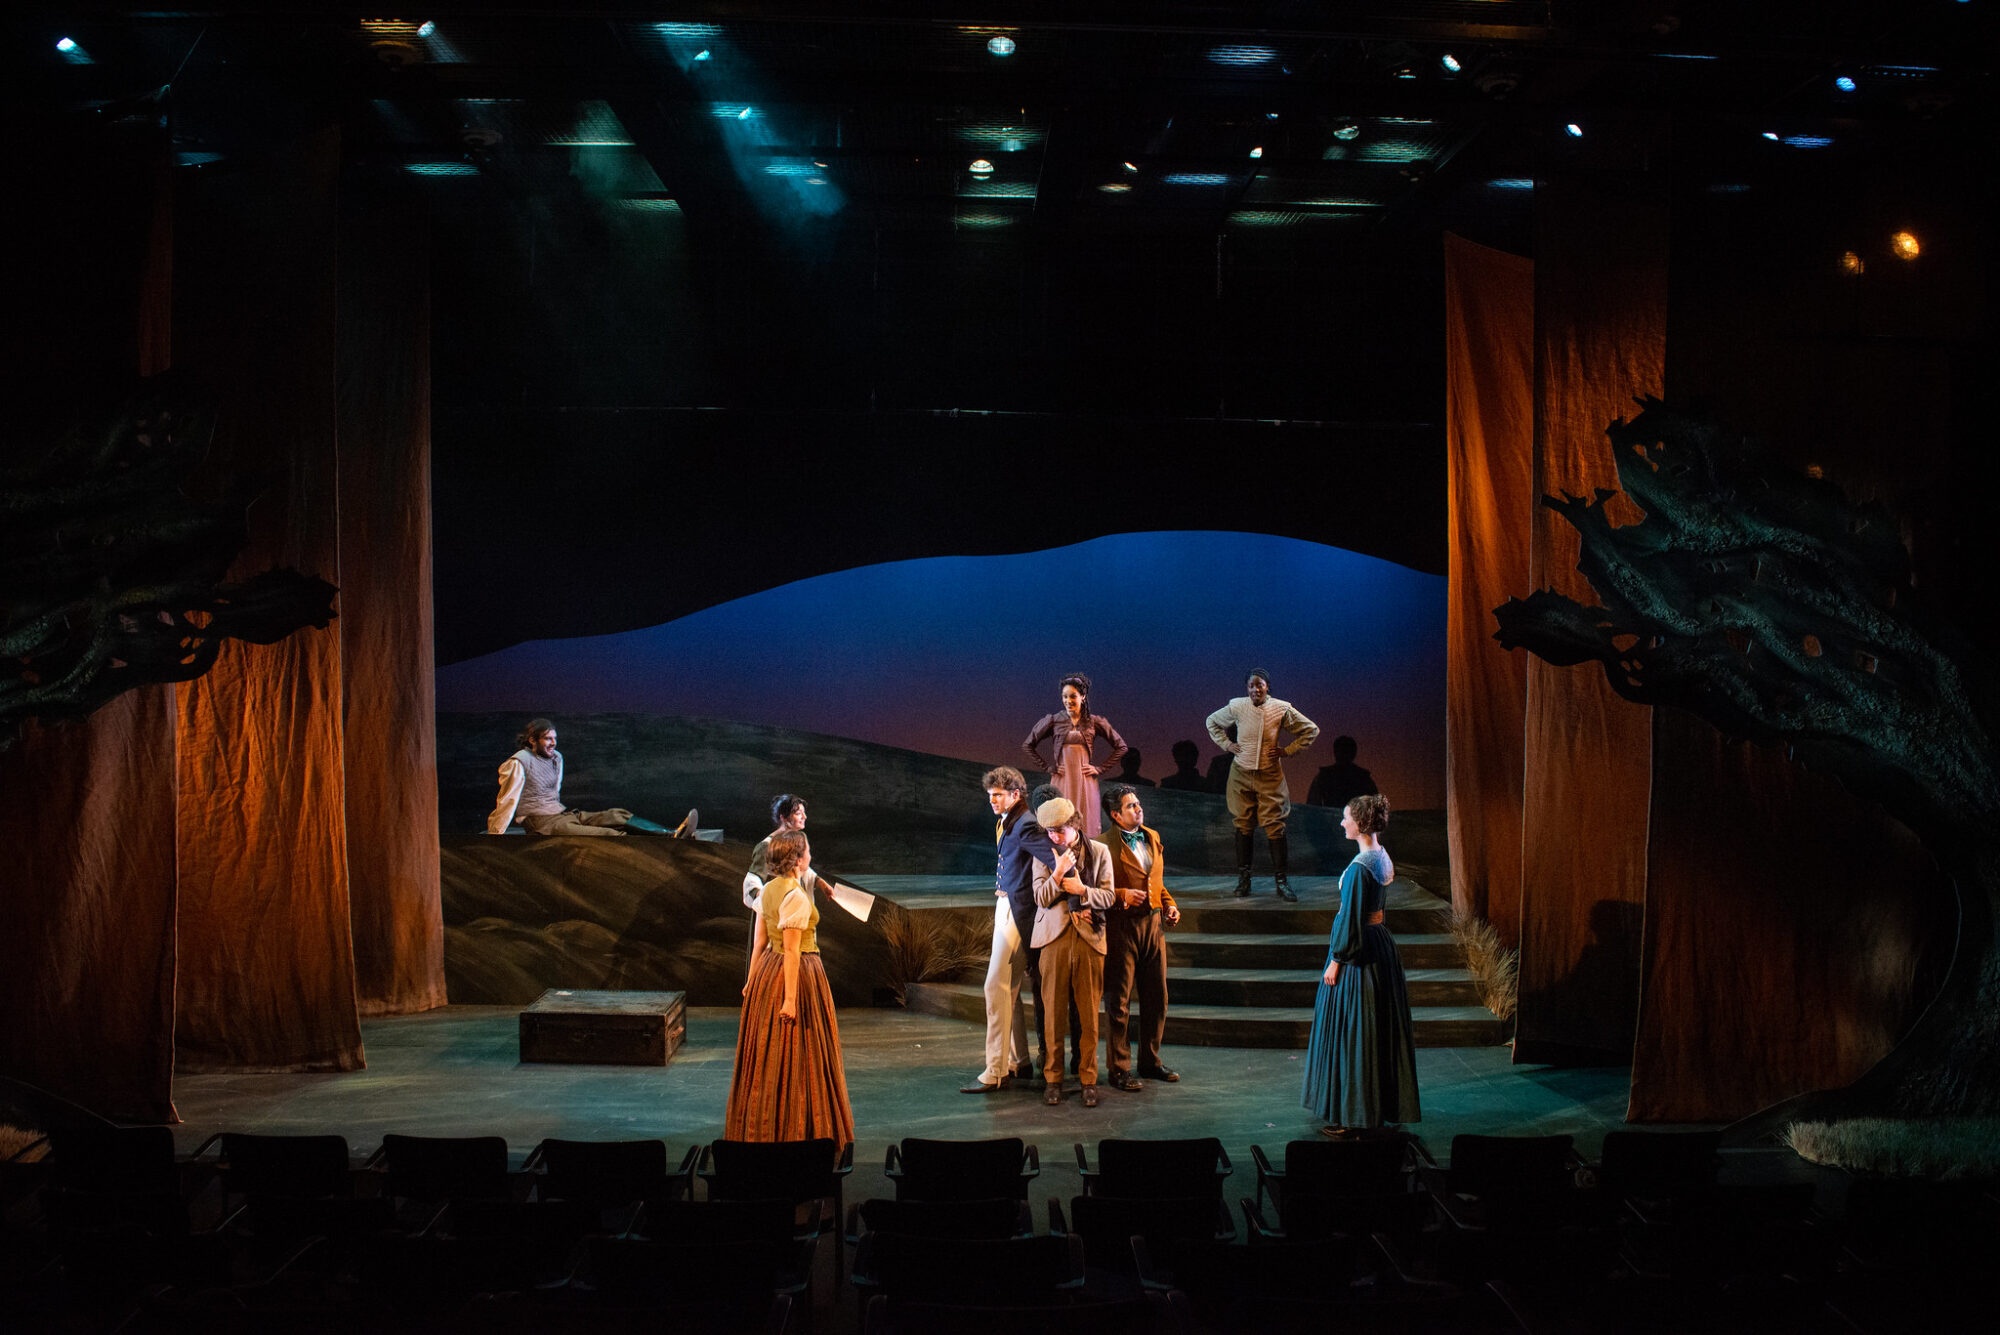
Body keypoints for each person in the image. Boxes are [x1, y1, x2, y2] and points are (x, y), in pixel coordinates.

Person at [1301, 793, 1420, 1137]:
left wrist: (1336, 962)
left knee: (1354, 1031)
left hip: (1358, 955)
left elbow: (1352, 920)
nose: (1342, 823)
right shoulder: (1380, 856)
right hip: (1380, 944)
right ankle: (1376, 1107)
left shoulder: (1358, 870)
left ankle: (1352, 1114)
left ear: (1361, 823)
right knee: (1375, 1028)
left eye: (1346, 818)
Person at [726, 830, 855, 1143]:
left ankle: (762, 1126)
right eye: (807, 851)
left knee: (768, 1052)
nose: (810, 855)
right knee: (801, 1052)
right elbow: (793, 951)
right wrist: (790, 999)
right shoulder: (795, 896)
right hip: (796, 973)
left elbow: (759, 942)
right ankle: (799, 1130)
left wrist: (752, 980)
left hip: (768, 971)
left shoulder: (769, 889)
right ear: (798, 860)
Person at [962, 766, 1057, 1094]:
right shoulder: (1007, 820)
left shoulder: (1027, 823)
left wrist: (1050, 892)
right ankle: (1018, 1061)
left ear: (1016, 794)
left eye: (998, 795)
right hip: (1006, 906)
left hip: (1019, 912)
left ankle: (995, 1070)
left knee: (995, 986)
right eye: (990, 795)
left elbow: (1056, 859)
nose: (992, 800)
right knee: (1009, 989)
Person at [1030, 797, 1119, 1107]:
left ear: (1076, 825)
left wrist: (1082, 891)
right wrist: (1059, 874)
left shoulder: (1100, 853)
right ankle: (1053, 1078)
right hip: (1054, 938)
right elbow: (1041, 897)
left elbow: (1108, 897)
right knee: (1052, 1014)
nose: (1054, 837)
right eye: (1049, 831)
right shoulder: (1043, 855)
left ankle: (1088, 1079)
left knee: (1089, 1016)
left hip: (1089, 938)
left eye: (1060, 830)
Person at [1095, 784, 1181, 1091]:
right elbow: (1094, 890)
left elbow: (1156, 880)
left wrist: (1168, 904)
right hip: (1122, 927)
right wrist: (1120, 896)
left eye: (1138, 804)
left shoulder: (1152, 836)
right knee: (1118, 1001)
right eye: (1131, 806)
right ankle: (1119, 1068)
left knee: (1157, 997)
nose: (1138, 809)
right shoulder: (1102, 845)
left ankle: (1150, 1061)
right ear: (1116, 814)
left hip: (1153, 926)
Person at [1205, 671, 1319, 901]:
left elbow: (1310, 730)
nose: (1255, 690)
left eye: (1260, 685)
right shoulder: (1237, 706)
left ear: (1267, 687)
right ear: (1246, 687)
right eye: (1251, 685)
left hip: (1269, 774)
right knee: (1243, 824)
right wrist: (1227, 744)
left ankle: (1281, 881)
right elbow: (1212, 721)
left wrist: (1288, 750)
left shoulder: (1280, 708)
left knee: (1275, 826)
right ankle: (1244, 880)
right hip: (1241, 773)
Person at [485, 719, 696, 837]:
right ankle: (666, 845)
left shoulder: (556, 758)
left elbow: (553, 791)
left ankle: (670, 833)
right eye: (547, 738)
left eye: (555, 738)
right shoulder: (518, 762)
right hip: (542, 825)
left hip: (562, 815)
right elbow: (507, 800)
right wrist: (495, 836)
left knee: (618, 815)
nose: (553, 743)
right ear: (532, 740)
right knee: (607, 835)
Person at [741, 794, 854, 977]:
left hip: (792, 911)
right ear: (783, 818)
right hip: (775, 916)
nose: (804, 817)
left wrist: (819, 882)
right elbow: (751, 882)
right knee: (773, 965)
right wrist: (769, 900)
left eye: (804, 812)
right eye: (798, 813)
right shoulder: (767, 847)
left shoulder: (794, 840)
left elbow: (800, 869)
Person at [1021, 674, 1129, 839]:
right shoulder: (1054, 720)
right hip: (1062, 778)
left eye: (1073, 696)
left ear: (1083, 696)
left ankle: (1084, 860)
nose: (1068, 700)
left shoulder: (1094, 722)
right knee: (1059, 821)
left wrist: (1100, 768)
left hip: (1085, 780)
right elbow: (1028, 745)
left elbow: (1121, 746)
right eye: (1064, 696)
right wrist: (1047, 767)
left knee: (1085, 823)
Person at [1307, 735, 1378, 811]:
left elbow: (1312, 807)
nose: (1343, 754)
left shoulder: (1323, 776)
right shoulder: (1364, 778)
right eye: (1342, 751)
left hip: (1333, 820)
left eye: (1346, 751)